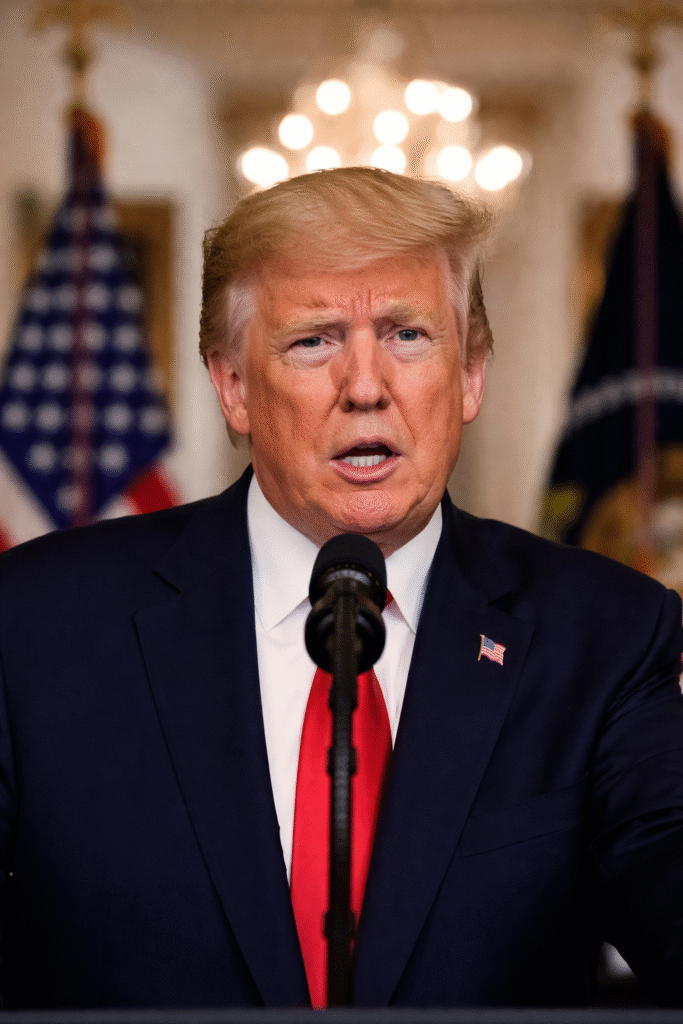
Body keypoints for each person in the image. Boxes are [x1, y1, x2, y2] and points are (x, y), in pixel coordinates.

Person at [1, 166, 682, 1010]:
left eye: (408, 335)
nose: (366, 388)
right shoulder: (34, 627)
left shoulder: (606, 637)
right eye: (313, 340)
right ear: (233, 385)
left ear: (469, 375)